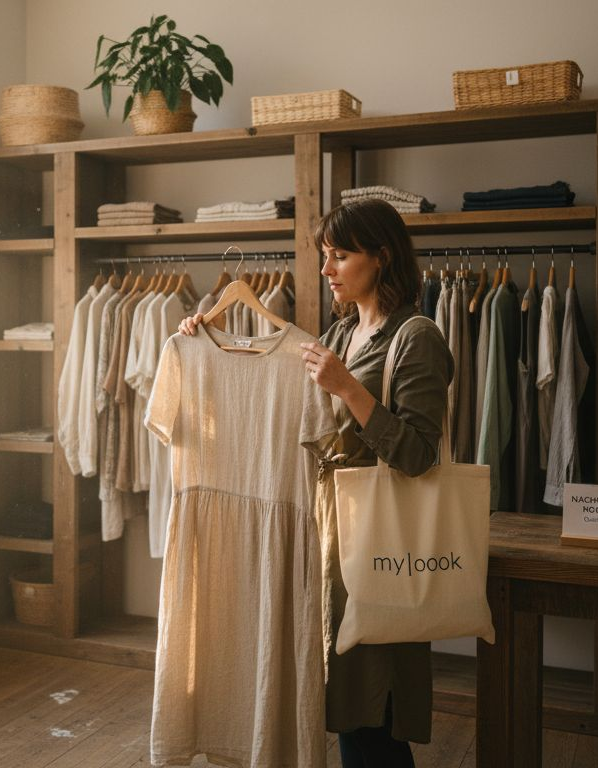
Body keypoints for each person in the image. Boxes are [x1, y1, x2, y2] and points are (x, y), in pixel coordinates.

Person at [178, 198, 452, 767]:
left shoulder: (415, 336)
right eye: (326, 256)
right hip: (333, 536)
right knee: (348, 705)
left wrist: (349, 388)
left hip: (383, 541)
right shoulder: (343, 330)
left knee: (373, 708)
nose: (326, 270)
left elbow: (421, 456)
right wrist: (203, 340)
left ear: (380, 257)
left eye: (340, 256)